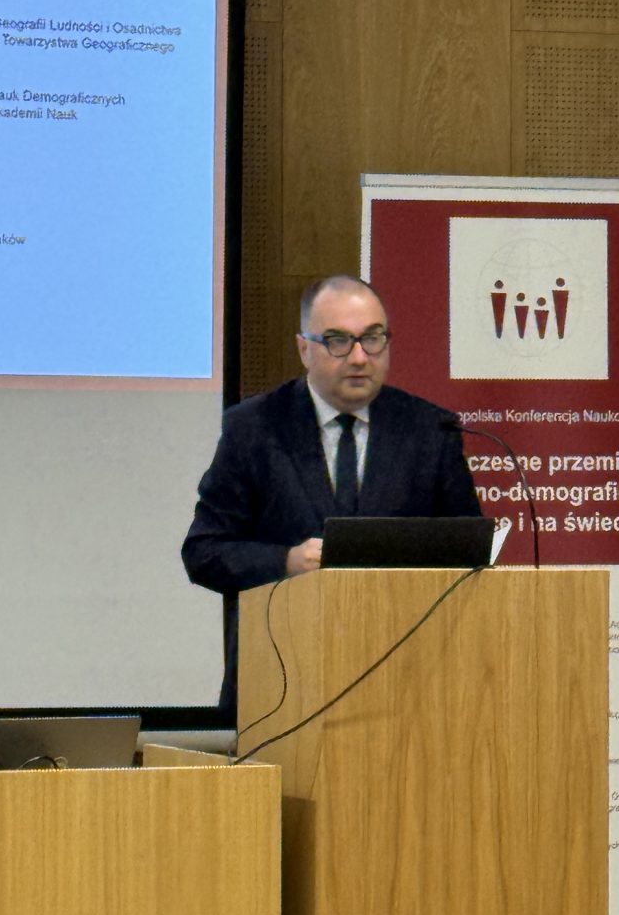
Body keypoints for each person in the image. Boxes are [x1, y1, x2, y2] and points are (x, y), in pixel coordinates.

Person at [182, 275, 480, 715]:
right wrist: (286, 562)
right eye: (338, 341)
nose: (359, 357)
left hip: (403, 689)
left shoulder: (430, 431)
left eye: (372, 339)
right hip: (280, 689)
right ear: (304, 348)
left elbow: (470, 560)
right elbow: (204, 552)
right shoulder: (255, 428)